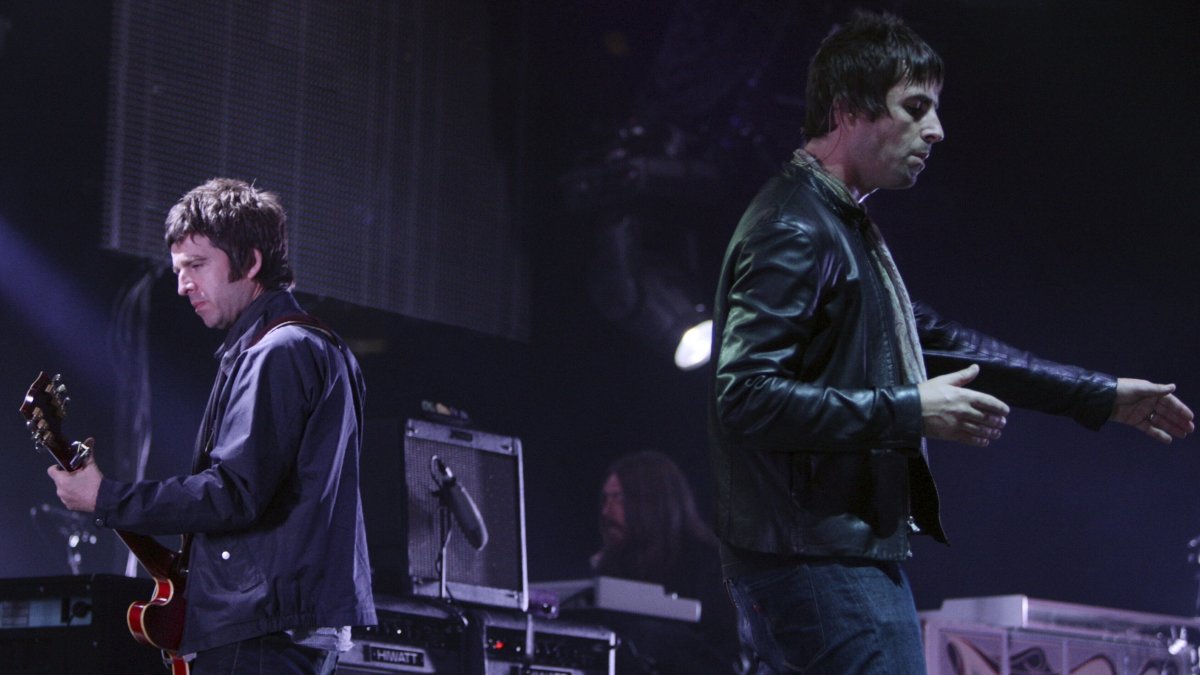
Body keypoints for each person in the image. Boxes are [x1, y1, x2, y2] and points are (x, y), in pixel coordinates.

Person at [707, 11, 1195, 674]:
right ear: (848, 110)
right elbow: (747, 396)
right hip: (816, 560)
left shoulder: (838, 222)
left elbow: (942, 342)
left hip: (837, 558)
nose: (935, 130)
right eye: (915, 108)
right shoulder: (794, 225)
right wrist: (908, 409)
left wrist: (1099, 394)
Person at [47, 178, 376, 674]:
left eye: (197, 266)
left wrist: (107, 498)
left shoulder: (279, 353)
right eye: (178, 270)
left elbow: (232, 494)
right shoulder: (307, 347)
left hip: (262, 631)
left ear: (251, 261)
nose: (182, 285)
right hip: (278, 625)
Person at [589, 450, 743, 674]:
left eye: (619, 498)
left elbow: (725, 655)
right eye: (606, 499)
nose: (606, 511)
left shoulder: (707, 563)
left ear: (652, 502)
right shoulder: (612, 565)